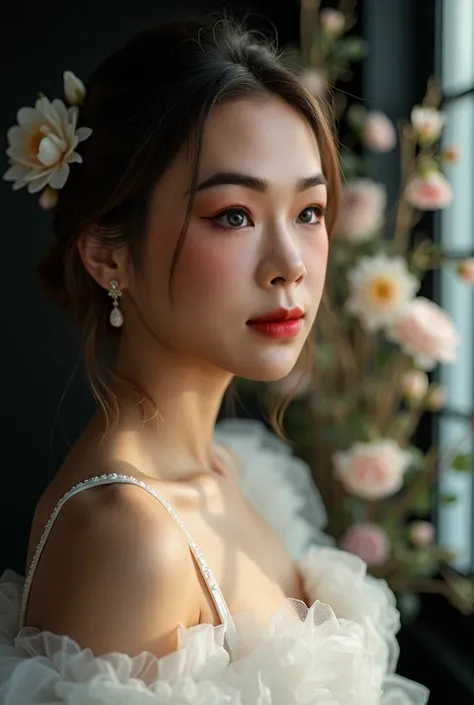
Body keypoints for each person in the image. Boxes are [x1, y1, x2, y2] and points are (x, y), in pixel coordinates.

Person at [0, 16, 429, 704]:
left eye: (310, 211)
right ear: (108, 252)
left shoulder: (233, 463)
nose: (290, 265)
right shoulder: (129, 537)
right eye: (233, 214)